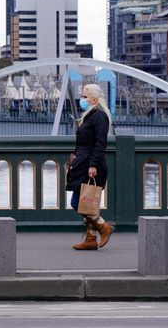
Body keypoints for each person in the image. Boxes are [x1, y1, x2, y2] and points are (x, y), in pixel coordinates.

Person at [66, 83, 114, 250]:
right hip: (83, 163)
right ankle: (90, 239)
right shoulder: (90, 115)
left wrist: (93, 165)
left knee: (78, 202)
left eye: (85, 96)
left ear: (94, 99)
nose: (82, 99)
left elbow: (100, 143)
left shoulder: (99, 116)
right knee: (88, 203)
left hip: (91, 165)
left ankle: (103, 226)